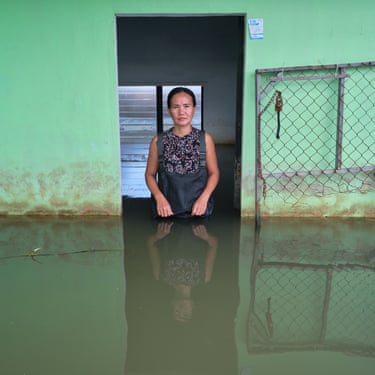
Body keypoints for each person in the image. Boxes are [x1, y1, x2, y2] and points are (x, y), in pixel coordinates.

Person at [145, 87, 220, 218]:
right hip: (165, 211)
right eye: (175, 107)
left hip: (199, 210)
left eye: (186, 106)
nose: (181, 112)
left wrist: (204, 198)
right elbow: (149, 175)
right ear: (169, 110)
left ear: (194, 109)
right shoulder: (158, 141)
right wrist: (159, 198)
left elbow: (214, 173)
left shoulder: (205, 139)